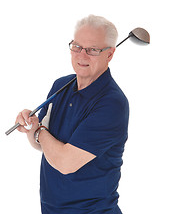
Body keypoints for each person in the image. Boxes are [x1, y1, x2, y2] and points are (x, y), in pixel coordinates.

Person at [16, 14, 129, 214]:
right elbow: (41, 144)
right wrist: (32, 128)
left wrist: (39, 130)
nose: (81, 55)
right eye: (76, 46)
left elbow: (65, 162)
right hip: (51, 209)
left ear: (110, 54)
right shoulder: (61, 85)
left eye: (92, 49)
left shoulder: (112, 103)